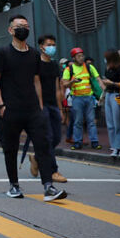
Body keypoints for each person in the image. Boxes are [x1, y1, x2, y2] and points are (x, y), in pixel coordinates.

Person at [0, 15, 66, 202]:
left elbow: (36, 80)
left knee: (44, 145)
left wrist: (40, 106)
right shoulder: (3, 53)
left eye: (25, 25)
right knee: (11, 148)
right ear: (10, 30)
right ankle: (14, 185)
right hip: (11, 109)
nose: (23, 28)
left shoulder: (34, 54)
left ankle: (48, 186)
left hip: (33, 110)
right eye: (18, 26)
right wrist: (1, 105)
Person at [36, 35, 67, 183]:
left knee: (56, 138)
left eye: (54, 44)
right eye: (49, 44)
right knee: (47, 138)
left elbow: (57, 88)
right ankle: (53, 170)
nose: (52, 47)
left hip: (54, 105)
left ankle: (36, 157)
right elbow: (36, 86)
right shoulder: (36, 64)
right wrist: (40, 106)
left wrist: (60, 109)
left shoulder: (54, 65)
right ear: (41, 46)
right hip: (41, 106)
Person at [61, 47, 102, 150]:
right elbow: (64, 84)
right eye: (79, 56)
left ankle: (94, 142)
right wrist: (72, 82)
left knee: (91, 121)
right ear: (74, 58)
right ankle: (77, 142)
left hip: (89, 98)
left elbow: (98, 79)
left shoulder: (89, 67)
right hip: (77, 99)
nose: (81, 58)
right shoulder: (69, 69)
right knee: (78, 121)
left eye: (82, 55)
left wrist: (104, 91)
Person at [102, 49, 120, 158]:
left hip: (117, 94)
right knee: (110, 123)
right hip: (108, 94)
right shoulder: (108, 67)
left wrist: (112, 83)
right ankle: (114, 146)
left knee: (119, 123)